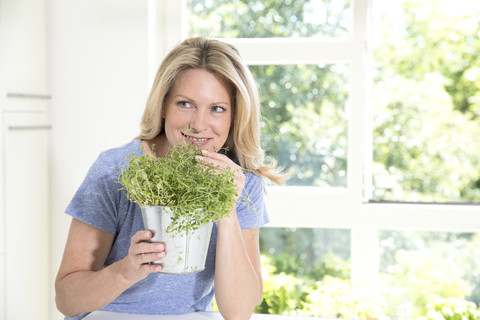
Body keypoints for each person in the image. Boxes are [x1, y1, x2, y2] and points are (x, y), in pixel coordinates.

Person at [55, 37, 286, 320]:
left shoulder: (240, 181)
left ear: (234, 117)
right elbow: (66, 299)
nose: (198, 124)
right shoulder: (115, 170)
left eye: (217, 108)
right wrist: (126, 271)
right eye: (185, 104)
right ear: (163, 105)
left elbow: (238, 312)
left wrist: (226, 210)